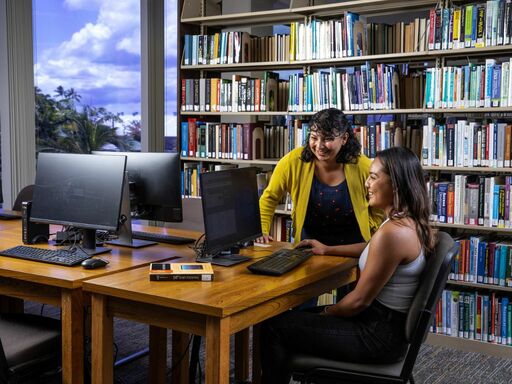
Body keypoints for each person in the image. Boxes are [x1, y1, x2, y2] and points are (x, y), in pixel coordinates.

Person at [259, 146, 436, 384]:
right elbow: (372, 248)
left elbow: (357, 302)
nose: (366, 183)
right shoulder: (407, 222)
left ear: (395, 184)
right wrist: (327, 249)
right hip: (385, 328)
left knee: (275, 326)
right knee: (293, 319)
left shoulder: (393, 234)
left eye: (373, 177)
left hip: (376, 335)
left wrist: (326, 313)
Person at [257, 108, 383, 257]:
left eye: (328, 139)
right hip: (308, 250)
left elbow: (379, 205)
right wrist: (262, 231)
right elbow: (269, 198)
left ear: (344, 139)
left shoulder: (363, 166)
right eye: (314, 137)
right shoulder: (292, 162)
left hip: (352, 251)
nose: (319, 145)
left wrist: (370, 229)